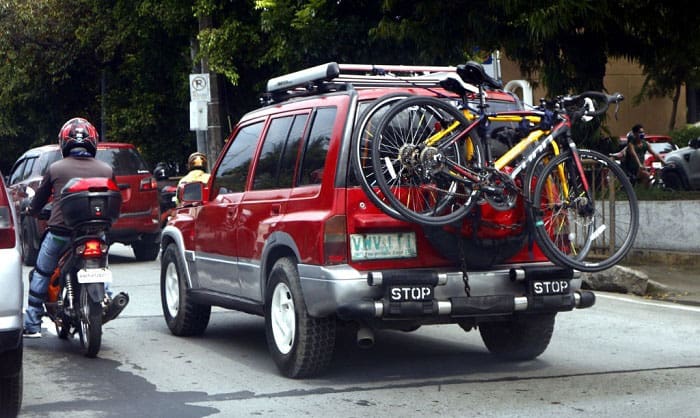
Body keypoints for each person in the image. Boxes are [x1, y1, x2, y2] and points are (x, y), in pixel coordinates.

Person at [23, 117, 129, 338]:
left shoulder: (55, 168)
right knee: (103, 265)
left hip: (61, 233)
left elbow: (40, 200)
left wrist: (31, 211)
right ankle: (106, 297)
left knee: (42, 271)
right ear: (92, 141)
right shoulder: (106, 168)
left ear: (64, 143)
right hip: (96, 232)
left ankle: (32, 322)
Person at [622, 123, 665, 188]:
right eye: (640, 132)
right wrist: (639, 164)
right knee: (646, 176)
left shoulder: (645, 144)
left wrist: (663, 162)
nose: (642, 134)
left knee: (648, 178)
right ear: (635, 134)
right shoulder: (631, 144)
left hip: (640, 168)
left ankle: (644, 192)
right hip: (631, 169)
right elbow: (634, 155)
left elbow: (654, 154)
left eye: (643, 132)